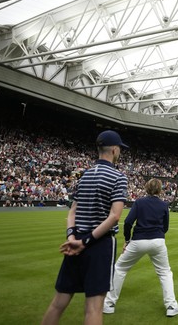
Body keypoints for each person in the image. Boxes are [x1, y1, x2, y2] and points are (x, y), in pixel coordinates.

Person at [41, 130, 129, 325]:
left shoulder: (84, 175)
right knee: (94, 308)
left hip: (75, 242)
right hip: (99, 244)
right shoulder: (118, 177)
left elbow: (72, 212)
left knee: (58, 302)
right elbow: (115, 216)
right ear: (114, 150)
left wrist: (72, 238)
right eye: (120, 149)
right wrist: (86, 241)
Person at [103, 178, 178, 317]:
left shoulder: (139, 202)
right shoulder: (163, 205)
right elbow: (165, 227)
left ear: (146, 188)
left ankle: (109, 304)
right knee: (165, 273)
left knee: (119, 268)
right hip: (158, 241)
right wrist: (157, 235)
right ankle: (171, 305)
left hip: (138, 241)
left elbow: (128, 223)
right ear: (160, 190)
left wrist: (127, 240)